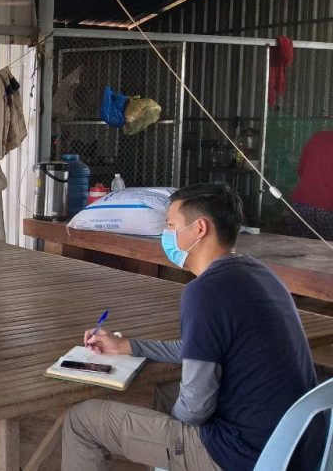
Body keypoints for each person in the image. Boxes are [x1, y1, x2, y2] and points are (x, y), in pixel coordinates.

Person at [61, 183, 322, 471]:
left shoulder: (205, 291)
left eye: (171, 225)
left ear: (199, 228)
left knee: (82, 420)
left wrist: (169, 427)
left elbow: (196, 409)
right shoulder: (257, 272)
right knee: (168, 384)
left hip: (243, 455)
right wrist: (127, 345)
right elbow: (202, 350)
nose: (166, 235)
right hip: (298, 444)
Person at [285, 130, 333, 240]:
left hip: (302, 205)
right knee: (326, 253)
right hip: (328, 209)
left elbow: (301, 169)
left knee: (298, 249)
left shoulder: (319, 137)